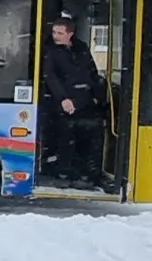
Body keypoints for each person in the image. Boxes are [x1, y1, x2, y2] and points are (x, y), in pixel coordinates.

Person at [40, 13, 107, 188]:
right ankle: (63, 173)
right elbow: (51, 78)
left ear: (70, 34)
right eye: (54, 32)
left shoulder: (81, 48)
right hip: (61, 102)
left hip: (83, 101)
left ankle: (86, 174)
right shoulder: (51, 51)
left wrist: (95, 96)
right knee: (64, 135)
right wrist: (63, 99)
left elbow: (91, 73)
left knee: (89, 136)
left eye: (60, 33)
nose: (56, 36)